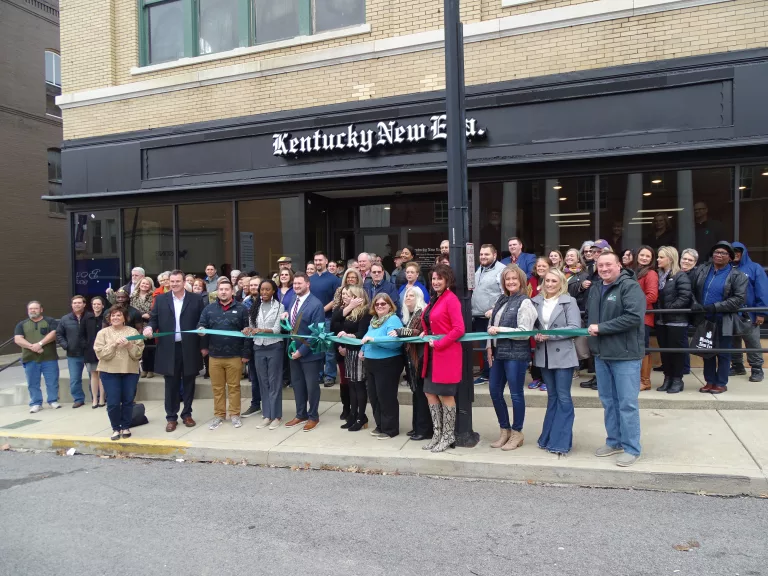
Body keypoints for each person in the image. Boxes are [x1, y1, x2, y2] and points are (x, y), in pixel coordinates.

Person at [587, 252, 646, 467]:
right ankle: (614, 441)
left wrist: (602, 328)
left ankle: (631, 448)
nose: (604, 269)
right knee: (608, 402)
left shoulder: (629, 287)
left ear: (619, 265)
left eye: (608, 265)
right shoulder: (596, 288)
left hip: (625, 355)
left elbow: (633, 317)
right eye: (600, 265)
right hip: (602, 355)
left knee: (627, 404)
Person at [144, 269, 207, 432]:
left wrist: (203, 343)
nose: (174, 284)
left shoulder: (196, 299)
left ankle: (187, 414)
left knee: (189, 382)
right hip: (168, 348)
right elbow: (154, 319)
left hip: (190, 348)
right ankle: (171, 417)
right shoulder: (161, 299)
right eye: (172, 281)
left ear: (184, 282)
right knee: (170, 385)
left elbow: (202, 321)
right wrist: (149, 328)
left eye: (177, 281)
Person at [486, 265, 538, 451]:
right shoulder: (502, 299)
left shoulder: (525, 302)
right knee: (494, 391)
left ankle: (517, 432)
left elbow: (524, 332)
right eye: (507, 279)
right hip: (498, 353)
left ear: (521, 281)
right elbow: (491, 327)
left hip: (516, 354)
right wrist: (489, 347)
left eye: (514, 278)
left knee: (516, 394)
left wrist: (500, 330)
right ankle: (504, 430)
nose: (510, 282)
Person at [531, 269, 581, 455]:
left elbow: (575, 328)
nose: (550, 284)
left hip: (563, 355)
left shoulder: (569, 301)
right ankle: (547, 438)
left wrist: (550, 335)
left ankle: (561, 442)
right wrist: (535, 335)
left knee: (563, 397)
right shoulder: (535, 301)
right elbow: (530, 326)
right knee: (552, 397)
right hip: (543, 356)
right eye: (547, 280)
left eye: (554, 281)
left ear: (561, 283)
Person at [690, 241, 748, 394]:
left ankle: (721, 383)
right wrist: (695, 304)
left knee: (723, 352)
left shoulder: (738, 276)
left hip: (724, 319)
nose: (719, 255)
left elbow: (738, 299)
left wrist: (716, 307)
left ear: (730, 257)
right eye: (716, 252)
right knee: (707, 351)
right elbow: (691, 289)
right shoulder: (702, 270)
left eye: (723, 253)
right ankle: (709, 381)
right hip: (705, 318)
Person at [421, 264, 466, 452]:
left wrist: (439, 343)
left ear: (447, 280)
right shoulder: (435, 299)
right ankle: (437, 434)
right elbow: (432, 322)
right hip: (432, 354)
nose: (436, 281)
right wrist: (425, 332)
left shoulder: (451, 299)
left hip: (446, 354)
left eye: (440, 278)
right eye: (433, 278)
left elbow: (459, 329)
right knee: (430, 393)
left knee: (446, 395)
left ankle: (448, 436)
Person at [198, 279, 249, 430]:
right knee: (217, 388)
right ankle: (219, 415)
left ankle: (235, 414)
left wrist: (245, 354)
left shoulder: (241, 309)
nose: (224, 292)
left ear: (232, 291)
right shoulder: (209, 309)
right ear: (217, 292)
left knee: (234, 387)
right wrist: (202, 338)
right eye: (221, 289)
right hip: (214, 355)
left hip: (235, 355)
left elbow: (247, 332)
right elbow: (201, 326)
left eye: (227, 289)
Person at [93, 306, 145, 441]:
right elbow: (101, 354)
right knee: (113, 402)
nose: (115, 318)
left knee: (128, 400)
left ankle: (126, 426)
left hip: (130, 371)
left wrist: (129, 345)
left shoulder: (133, 331)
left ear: (124, 318)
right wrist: (114, 344)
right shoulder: (103, 333)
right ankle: (116, 428)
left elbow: (138, 354)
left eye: (119, 315)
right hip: (109, 372)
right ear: (109, 318)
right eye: (113, 315)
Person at [284, 273, 326, 431]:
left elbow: (317, 333)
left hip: (310, 353)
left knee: (311, 386)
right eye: (294, 283)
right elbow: (293, 324)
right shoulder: (293, 300)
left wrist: (301, 351)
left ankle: (313, 416)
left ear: (308, 284)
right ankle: (300, 414)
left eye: (299, 283)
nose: (296, 286)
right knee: (297, 385)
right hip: (292, 350)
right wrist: (286, 316)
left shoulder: (316, 304)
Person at [243, 278, 286, 429]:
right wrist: (248, 330)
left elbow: (277, 329)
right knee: (263, 382)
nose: (264, 292)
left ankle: (276, 415)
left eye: (268, 289)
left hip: (274, 347)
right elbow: (251, 326)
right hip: (258, 347)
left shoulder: (279, 306)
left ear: (273, 291)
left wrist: (261, 330)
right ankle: (267, 415)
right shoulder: (255, 306)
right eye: (262, 289)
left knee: (274, 382)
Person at [392, 286, 432, 441]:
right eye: (406, 296)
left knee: (421, 395)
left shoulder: (421, 313)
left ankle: (424, 430)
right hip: (412, 361)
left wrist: (401, 331)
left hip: (420, 360)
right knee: (416, 394)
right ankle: (417, 427)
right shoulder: (410, 315)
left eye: (411, 296)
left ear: (419, 298)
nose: (407, 298)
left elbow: (418, 332)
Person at [361, 294, 404, 439]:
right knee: (374, 397)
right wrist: (363, 350)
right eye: (377, 304)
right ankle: (380, 425)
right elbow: (366, 337)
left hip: (387, 363)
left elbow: (395, 342)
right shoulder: (374, 320)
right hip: (371, 362)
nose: (379, 306)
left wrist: (374, 339)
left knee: (386, 397)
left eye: (383, 304)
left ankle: (390, 429)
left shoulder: (393, 319)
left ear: (390, 306)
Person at [332, 285, 371, 431]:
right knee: (351, 385)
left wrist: (349, 336)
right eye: (345, 295)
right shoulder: (348, 311)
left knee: (359, 385)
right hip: (349, 352)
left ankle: (361, 417)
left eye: (349, 295)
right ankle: (353, 415)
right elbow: (334, 321)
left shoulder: (365, 312)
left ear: (356, 296)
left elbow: (362, 333)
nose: (345, 297)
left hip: (358, 352)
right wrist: (349, 307)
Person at [655, 246, 692, 394]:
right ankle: (667, 378)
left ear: (670, 259)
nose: (658, 259)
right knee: (665, 351)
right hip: (661, 320)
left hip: (676, 321)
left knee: (676, 352)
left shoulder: (680, 276)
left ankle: (677, 379)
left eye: (661, 257)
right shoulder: (659, 275)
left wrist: (669, 308)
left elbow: (685, 296)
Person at [730, 242, 767, 382]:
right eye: (733, 251)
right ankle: (737, 366)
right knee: (733, 341)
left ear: (743, 252)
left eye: (738, 251)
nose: (736, 253)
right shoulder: (726, 268)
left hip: (749, 312)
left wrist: (761, 312)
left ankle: (757, 369)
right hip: (730, 312)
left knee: (752, 341)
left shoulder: (754, 268)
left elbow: (762, 290)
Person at [15, 301, 60, 413]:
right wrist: (32, 347)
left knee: (52, 381)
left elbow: (54, 334)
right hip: (30, 358)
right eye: (30, 309)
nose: (33, 310)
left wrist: (40, 344)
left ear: (41, 310)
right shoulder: (22, 324)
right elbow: (18, 339)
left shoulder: (50, 321)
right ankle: (36, 403)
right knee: (32, 382)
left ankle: (53, 400)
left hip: (49, 357)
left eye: (35, 308)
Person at [311, 251, 342, 387]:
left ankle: (330, 375)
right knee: (317, 348)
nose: (318, 262)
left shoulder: (334, 279)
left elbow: (337, 299)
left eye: (320, 260)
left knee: (329, 349)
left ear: (326, 261)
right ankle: (318, 374)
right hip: (313, 320)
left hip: (328, 318)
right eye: (316, 260)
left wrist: (322, 309)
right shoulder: (310, 279)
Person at [55, 295, 90, 408]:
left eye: (79, 303)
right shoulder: (65, 319)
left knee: (94, 377)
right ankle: (78, 399)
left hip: (89, 353)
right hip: (73, 354)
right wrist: (66, 345)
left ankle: (97, 397)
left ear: (84, 304)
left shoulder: (90, 317)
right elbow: (59, 334)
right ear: (71, 305)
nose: (77, 305)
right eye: (74, 303)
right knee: (75, 379)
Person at [635, 246, 659, 391]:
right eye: (642, 255)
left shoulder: (651, 273)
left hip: (644, 317)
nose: (644, 258)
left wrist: (633, 304)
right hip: (634, 316)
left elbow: (652, 296)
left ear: (651, 259)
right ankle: (637, 379)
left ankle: (645, 381)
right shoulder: (635, 272)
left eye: (647, 256)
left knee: (643, 348)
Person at [527, 258, 552, 390]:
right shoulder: (531, 281)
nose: (541, 268)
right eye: (539, 266)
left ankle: (546, 380)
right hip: (533, 319)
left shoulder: (552, 280)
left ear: (550, 267)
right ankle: (536, 377)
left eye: (544, 266)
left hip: (548, 320)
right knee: (534, 350)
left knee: (546, 350)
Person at [81, 296, 107, 408]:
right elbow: (81, 334)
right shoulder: (86, 318)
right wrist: (86, 346)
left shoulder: (106, 318)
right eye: (94, 304)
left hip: (103, 350)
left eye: (98, 304)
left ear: (103, 306)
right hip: (90, 351)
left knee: (102, 375)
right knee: (93, 375)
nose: (96, 306)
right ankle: (95, 399)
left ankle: (102, 399)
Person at [131, 277, 156, 379]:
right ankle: (143, 369)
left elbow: (155, 309)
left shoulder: (153, 296)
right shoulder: (133, 296)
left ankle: (150, 369)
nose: (144, 285)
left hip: (148, 324)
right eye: (143, 283)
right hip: (136, 324)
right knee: (140, 348)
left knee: (149, 349)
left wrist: (149, 314)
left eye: (147, 284)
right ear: (139, 284)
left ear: (150, 286)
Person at [680, 248, 699, 375]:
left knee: (682, 340)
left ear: (695, 262)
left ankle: (685, 367)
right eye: (684, 258)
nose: (686, 261)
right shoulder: (677, 272)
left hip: (687, 312)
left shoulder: (695, 275)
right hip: (677, 312)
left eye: (690, 260)